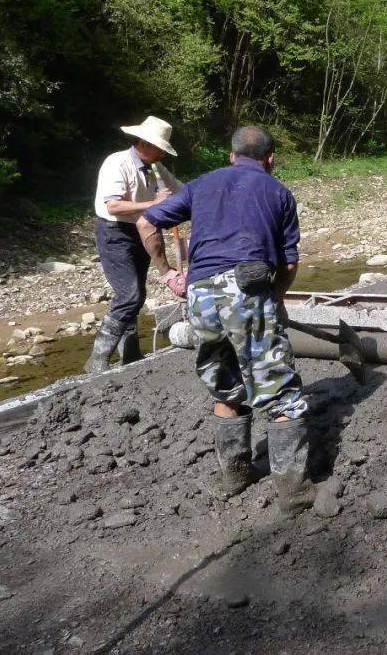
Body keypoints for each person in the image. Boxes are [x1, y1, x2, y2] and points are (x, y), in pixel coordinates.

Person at [139, 125, 313, 515]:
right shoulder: (279, 192)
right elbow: (288, 261)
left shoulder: (202, 184)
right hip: (247, 290)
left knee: (224, 383)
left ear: (231, 155)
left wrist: (168, 273)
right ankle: (293, 492)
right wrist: (277, 297)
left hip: (201, 294)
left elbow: (146, 222)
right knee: (277, 386)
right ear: (270, 159)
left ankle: (234, 475)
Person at [85, 116, 186, 374]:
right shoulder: (117, 163)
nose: (163, 153)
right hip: (115, 231)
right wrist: (154, 204)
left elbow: (182, 191)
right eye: (160, 148)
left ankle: (129, 354)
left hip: (142, 228)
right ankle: (96, 361)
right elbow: (113, 205)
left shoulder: (156, 168)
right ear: (146, 143)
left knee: (138, 293)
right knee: (128, 294)